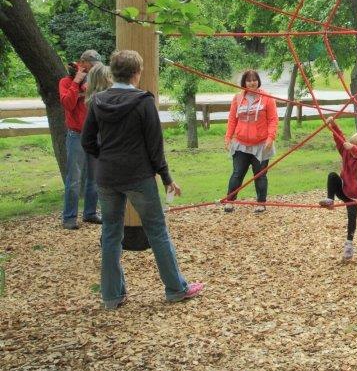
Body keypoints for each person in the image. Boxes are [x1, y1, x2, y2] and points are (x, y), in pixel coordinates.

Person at [82, 50, 203, 309]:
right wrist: (166, 178)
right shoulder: (144, 101)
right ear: (137, 73)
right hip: (138, 176)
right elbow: (154, 146)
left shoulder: (98, 101)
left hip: (108, 176)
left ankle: (112, 296)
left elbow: (87, 142)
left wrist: (106, 158)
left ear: (113, 72)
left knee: (111, 233)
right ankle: (176, 288)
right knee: (157, 230)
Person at [318, 117, 357, 261]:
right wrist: (333, 124)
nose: (350, 147)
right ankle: (330, 200)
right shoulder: (346, 152)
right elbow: (339, 139)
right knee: (332, 175)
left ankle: (349, 244)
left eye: (356, 146)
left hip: (353, 195)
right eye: (351, 144)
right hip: (342, 188)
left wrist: (354, 148)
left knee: (352, 218)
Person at [59, 49, 103, 229]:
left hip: (94, 134)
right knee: (74, 178)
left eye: (95, 67)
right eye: (90, 66)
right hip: (76, 135)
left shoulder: (94, 82)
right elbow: (68, 103)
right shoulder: (65, 81)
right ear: (82, 63)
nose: (92, 69)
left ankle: (90, 213)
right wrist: (76, 82)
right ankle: (69, 218)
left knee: (94, 177)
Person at [223, 70, 278, 213]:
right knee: (237, 173)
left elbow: (273, 119)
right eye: (248, 80)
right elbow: (232, 119)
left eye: (254, 80)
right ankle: (229, 201)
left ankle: (261, 203)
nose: (252, 82)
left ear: (258, 81)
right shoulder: (237, 98)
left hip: (261, 144)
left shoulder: (267, 97)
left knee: (260, 174)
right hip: (241, 144)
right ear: (244, 83)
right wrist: (228, 137)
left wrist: (270, 137)